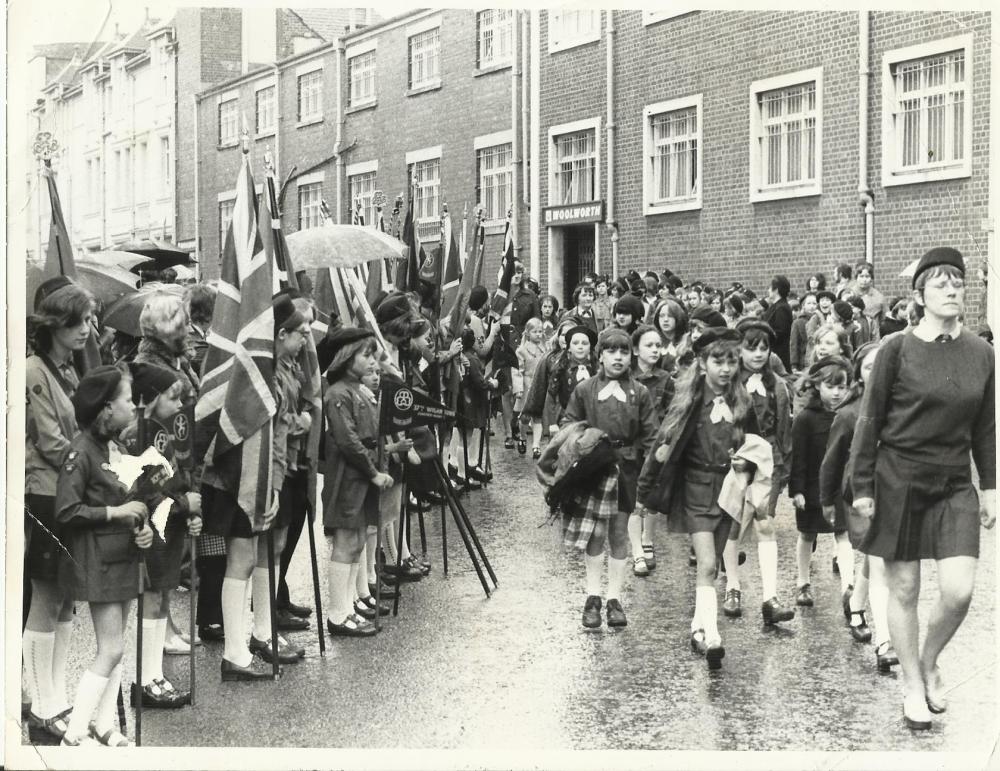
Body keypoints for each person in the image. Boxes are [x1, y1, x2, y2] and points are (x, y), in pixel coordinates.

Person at [850, 247, 995, 730]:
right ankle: (912, 683)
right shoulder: (896, 349)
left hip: (954, 483)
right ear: (920, 296)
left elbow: (985, 429)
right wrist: (862, 486)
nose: (953, 290)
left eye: (958, 282)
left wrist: (990, 489)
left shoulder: (982, 353)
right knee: (906, 587)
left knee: (958, 592)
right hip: (899, 479)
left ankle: (929, 660)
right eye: (941, 283)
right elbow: (868, 421)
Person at [200, 295, 310, 681]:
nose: (306, 340)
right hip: (239, 477)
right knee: (242, 560)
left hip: (265, 474)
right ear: (278, 334)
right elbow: (273, 433)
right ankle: (235, 653)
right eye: (300, 332)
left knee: (266, 551)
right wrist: (273, 484)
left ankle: (262, 633)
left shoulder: (281, 368)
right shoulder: (257, 373)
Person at [637, 328, 760, 670]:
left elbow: (757, 447)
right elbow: (664, 445)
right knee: (706, 564)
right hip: (695, 486)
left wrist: (746, 466)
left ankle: (697, 626)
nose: (725, 368)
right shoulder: (690, 401)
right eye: (717, 361)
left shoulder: (742, 401)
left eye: (731, 361)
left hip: (729, 489)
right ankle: (712, 635)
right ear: (703, 363)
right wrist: (645, 492)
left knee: (716, 563)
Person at [56, 366, 154, 746]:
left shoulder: (118, 448)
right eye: (128, 400)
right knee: (111, 648)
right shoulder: (79, 453)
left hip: (121, 554)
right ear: (106, 409)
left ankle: (104, 724)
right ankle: (76, 733)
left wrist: (141, 526)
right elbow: (66, 511)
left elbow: (132, 500)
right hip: (97, 559)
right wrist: (116, 514)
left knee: (115, 648)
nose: (135, 405)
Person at [23, 278, 94, 741]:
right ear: (57, 323)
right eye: (82, 320)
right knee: (47, 598)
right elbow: (52, 442)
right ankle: (40, 703)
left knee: (67, 599)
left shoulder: (66, 369)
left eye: (90, 319)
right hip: (47, 492)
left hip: (70, 490)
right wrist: (96, 463)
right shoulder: (34, 371)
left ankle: (56, 695)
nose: (89, 328)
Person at [562, 327, 658, 628]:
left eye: (624, 352)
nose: (618, 358)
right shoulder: (586, 390)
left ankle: (615, 598)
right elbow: (569, 423)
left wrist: (646, 480)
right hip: (594, 469)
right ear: (599, 356)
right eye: (611, 352)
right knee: (596, 534)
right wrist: (582, 442)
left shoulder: (639, 393)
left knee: (619, 532)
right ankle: (592, 596)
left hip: (626, 469)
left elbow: (651, 437)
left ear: (631, 356)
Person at [120, 363, 203, 708]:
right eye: (172, 398)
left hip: (173, 525)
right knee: (152, 598)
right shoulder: (137, 437)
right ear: (151, 400)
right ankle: (144, 679)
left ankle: (155, 675)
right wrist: (185, 504)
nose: (179, 405)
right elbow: (144, 492)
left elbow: (183, 476)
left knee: (164, 596)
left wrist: (193, 514)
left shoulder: (169, 433)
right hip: (154, 525)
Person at [819, 342, 898, 672]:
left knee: (874, 558)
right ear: (859, 375)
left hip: (894, 494)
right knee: (880, 562)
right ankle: (884, 642)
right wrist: (826, 500)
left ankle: (855, 606)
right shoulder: (849, 414)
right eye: (869, 366)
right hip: (860, 497)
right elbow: (831, 462)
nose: (876, 370)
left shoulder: (899, 410)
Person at [720, 321, 796, 626]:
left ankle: (769, 597)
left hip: (768, 462)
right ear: (739, 349)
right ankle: (733, 587)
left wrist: (783, 468)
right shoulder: (729, 382)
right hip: (737, 459)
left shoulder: (777, 385)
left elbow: (784, 431)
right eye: (751, 347)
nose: (758, 354)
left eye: (764, 348)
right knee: (734, 526)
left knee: (765, 525)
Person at [321, 328, 395, 637]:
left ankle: (349, 606)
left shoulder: (355, 390)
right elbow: (348, 440)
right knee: (346, 542)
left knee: (358, 540)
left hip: (361, 476)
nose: (370, 361)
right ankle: (338, 613)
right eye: (364, 355)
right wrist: (373, 471)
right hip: (347, 477)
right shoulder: (338, 393)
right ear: (345, 357)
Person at [789, 356, 854, 611]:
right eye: (830, 386)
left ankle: (849, 585)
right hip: (812, 486)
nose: (836, 393)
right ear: (817, 386)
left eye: (842, 387)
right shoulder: (805, 418)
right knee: (807, 533)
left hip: (840, 487)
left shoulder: (849, 415)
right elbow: (799, 457)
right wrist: (797, 490)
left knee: (844, 533)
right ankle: (803, 582)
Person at [627, 325, 671, 577]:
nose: (655, 350)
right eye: (649, 345)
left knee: (652, 500)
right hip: (633, 448)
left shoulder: (665, 379)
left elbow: (673, 412)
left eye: (658, 345)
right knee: (635, 502)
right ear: (636, 350)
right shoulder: (627, 378)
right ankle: (636, 552)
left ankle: (648, 540)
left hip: (656, 449)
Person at [548, 325, 597, 430]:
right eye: (575, 343)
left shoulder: (596, 370)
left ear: (590, 348)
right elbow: (551, 396)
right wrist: (552, 423)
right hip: (566, 420)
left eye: (584, 343)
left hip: (591, 421)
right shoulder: (561, 369)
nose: (580, 346)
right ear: (569, 348)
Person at [516, 319, 548, 459]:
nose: (538, 334)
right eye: (535, 332)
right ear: (528, 333)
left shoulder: (545, 349)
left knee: (538, 416)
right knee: (524, 416)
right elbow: (518, 371)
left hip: (540, 385)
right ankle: (522, 437)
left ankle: (536, 445)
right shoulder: (521, 350)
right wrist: (518, 388)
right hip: (526, 384)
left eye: (540, 331)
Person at [760, 275, 793, 371]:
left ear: (776, 290)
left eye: (770, 288)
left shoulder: (781, 308)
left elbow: (780, 332)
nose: (768, 290)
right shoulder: (776, 306)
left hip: (779, 354)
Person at [850, 261, 886, 340]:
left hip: (873, 334)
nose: (864, 280)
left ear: (871, 279)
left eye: (867, 276)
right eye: (861, 276)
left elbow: (883, 318)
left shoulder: (878, 297)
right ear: (856, 277)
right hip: (854, 333)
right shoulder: (849, 294)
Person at [790, 292, 817, 373]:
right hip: (804, 362)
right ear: (803, 306)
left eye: (814, 303)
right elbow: (794, 344)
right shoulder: (798, 322)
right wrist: (794, 365)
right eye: (809, 303)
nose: (812, 306)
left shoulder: (821, 320)